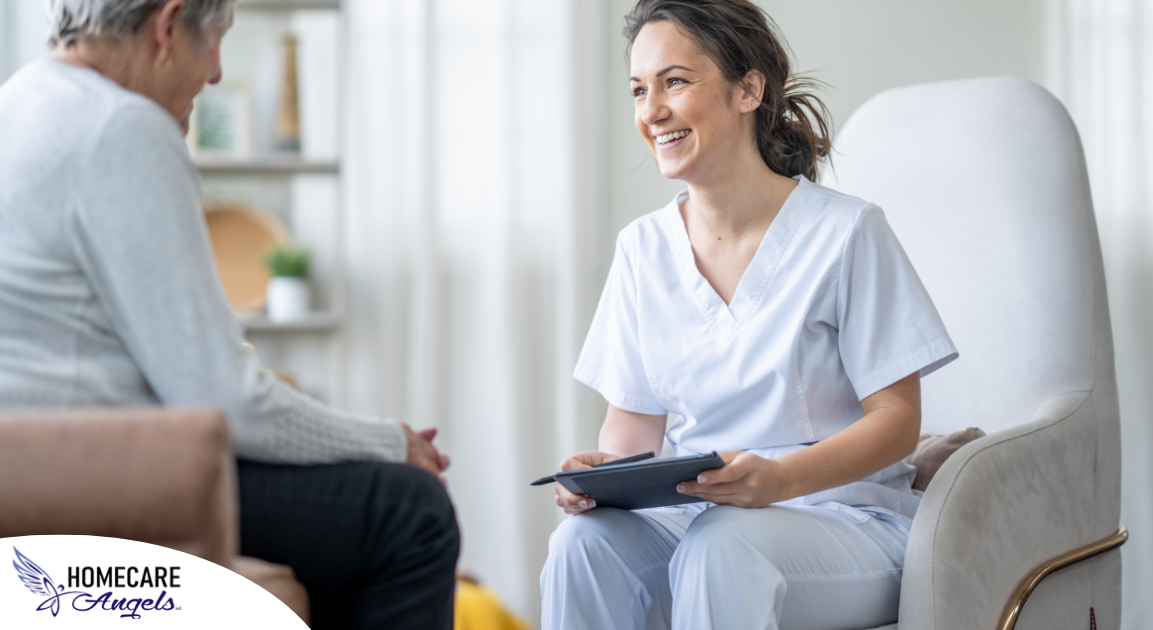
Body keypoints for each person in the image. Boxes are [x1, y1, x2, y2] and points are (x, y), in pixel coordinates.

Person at [0, 1, 458, 627]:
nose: (216, 74)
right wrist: (389, 442)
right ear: (168, 25)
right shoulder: (122, 127)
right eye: (218, 42)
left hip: (31, 475)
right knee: (411, 511)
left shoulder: (22, 99)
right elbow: (226, 402)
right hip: (93, 485)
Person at [540, 1, 958, 629]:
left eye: (674, 81)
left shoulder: (846, 233)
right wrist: (605, 479)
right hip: (699, 518)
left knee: (724, 547)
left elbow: (898, 422)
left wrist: (780, 479)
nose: (651, 111)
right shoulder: (641, 249)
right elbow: (631, 433)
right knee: (582, 546)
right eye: (638, 90)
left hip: (845, 521)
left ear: (749, 89)